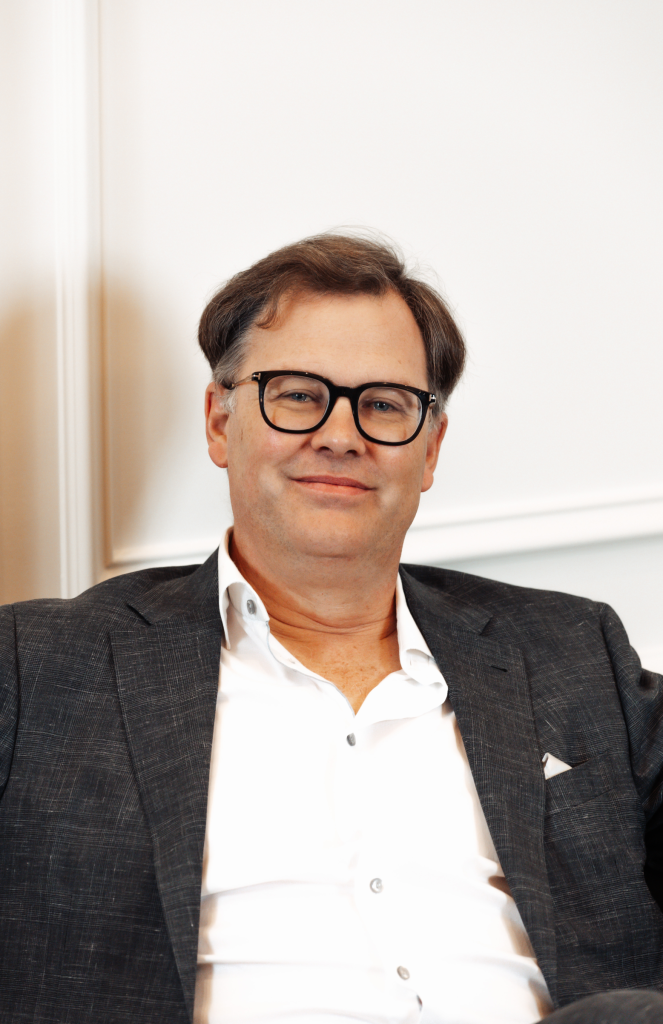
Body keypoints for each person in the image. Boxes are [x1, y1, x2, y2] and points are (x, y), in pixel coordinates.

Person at [0, 234, 662, 1024]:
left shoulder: (569, 651)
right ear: (219, 422)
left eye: (383, 404)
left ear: (429, 449)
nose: (341, 435)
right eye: (296, 394)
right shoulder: (35, 668)